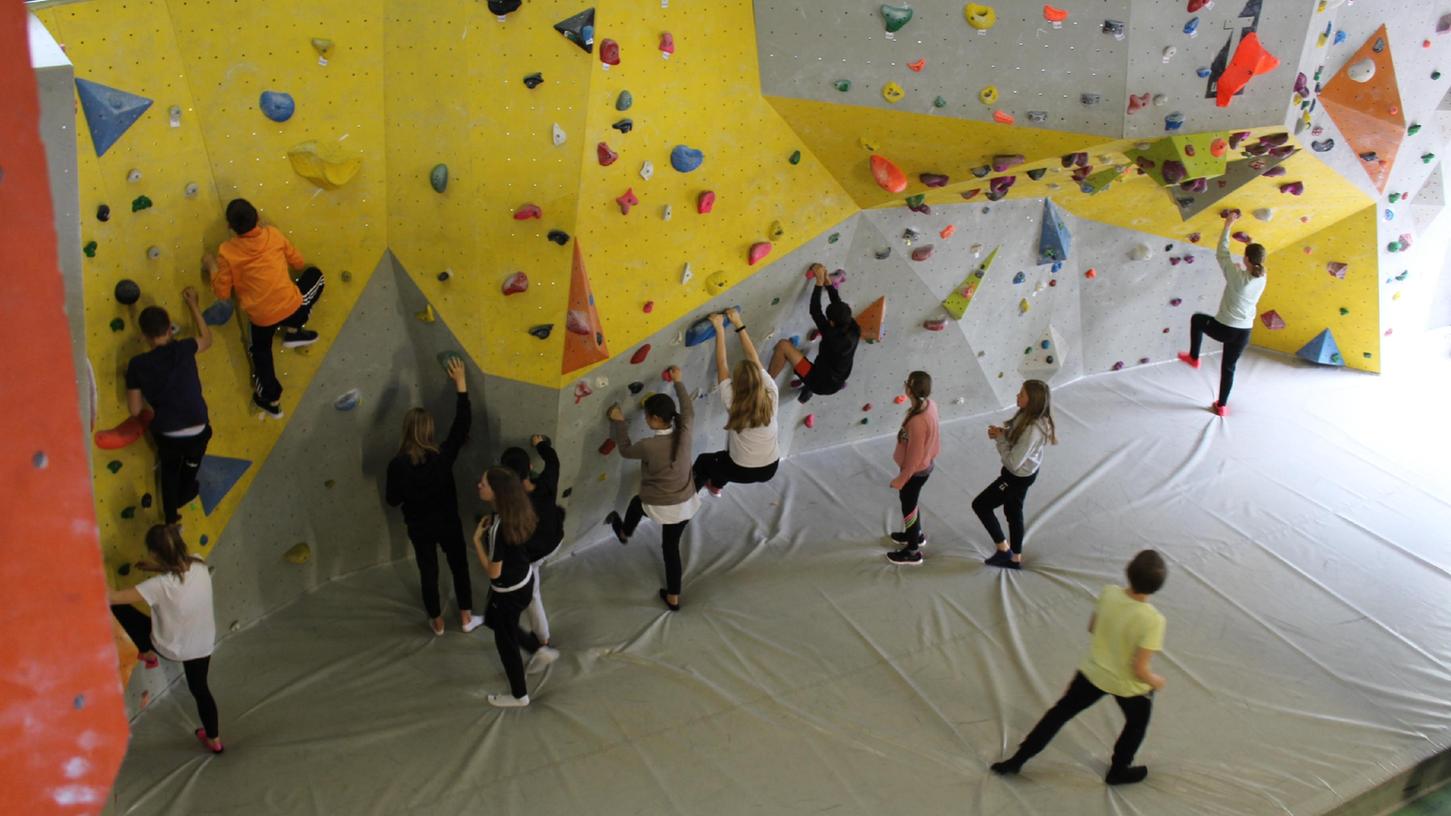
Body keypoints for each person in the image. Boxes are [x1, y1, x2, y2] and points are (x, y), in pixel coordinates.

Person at [990, 550, 1168, 785]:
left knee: (1059, 714)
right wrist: (1156, 681)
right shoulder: (1154, 620)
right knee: (1136, 725)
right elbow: (1140, 669)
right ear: (1157, 586)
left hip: (1093, 673)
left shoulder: (1109, 593)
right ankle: (1119, 769)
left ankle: (1017, 760)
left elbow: (1093, 627)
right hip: (1128, 686)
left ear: (1129, 571)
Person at [385, 358, 482, 636]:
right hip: (448, 521)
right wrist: (461, 383)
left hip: (420, 526)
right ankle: (465, 616)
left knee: (428, 570)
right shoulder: (442, 456)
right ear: (429, 430)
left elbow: (392, 500)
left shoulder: (397, 465)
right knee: (459, 565)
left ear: (405, 430)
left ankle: (436, 621)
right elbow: (461, 425)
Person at [204, 198, 324, 418]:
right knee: (315, 276)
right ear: (258, 217)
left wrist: (211, 265)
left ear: (230, 227)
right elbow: (298, 263)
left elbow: (222, 293)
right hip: (290, 306)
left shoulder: (226, 252)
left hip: (260, 318)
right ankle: (295, 329)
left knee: (260, 353)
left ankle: (271, 398)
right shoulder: (273, 235)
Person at [108, 524, 222, 753]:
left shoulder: (158, 586)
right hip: (202, 644)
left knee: (122, 609)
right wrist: (153, 568)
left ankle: (148, 652)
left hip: (172, 648)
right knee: (200, 690)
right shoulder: (198, 563)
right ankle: (214, 740)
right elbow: (178, 569)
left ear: (154, 553)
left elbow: (114, 598)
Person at [603, 369, 697, 611]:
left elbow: (625, 450)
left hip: (661, 503)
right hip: (686, 501)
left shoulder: (649, 445)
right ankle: (673, 597)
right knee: (670, 548)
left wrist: (619, 421)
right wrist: (678, 381)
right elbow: (688, 409)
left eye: (647, 416)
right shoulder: (685, 430)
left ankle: (624, 532)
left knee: (637, 503)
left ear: (653, 419)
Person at [125, 287, 212, 525]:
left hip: (168, 433)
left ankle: (171, 517)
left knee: (169, 471)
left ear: (144, 336)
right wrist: (193, 304)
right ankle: (188, 484)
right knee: (192, 462)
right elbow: (207, 339)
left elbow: (134, 411)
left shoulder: (137, 365)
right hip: (198, 425)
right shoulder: (184, 348)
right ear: (169, 328)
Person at [1177, 210, 1268, 417]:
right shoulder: (1262, 276)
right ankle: (1222, 406)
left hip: (1225, 328)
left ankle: (1194, 357)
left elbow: (1222, 252)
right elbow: (1248, 271)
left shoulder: (1237, 276)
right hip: (1244, 332)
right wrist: (1241, 265)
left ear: (1246, 259)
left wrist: (1228, 225)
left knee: (1197, 319)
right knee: (1229, 368)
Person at [692, 307, 780, 497]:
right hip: (770, 468)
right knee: (724, 459)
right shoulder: (771, 393)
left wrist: (719, 329)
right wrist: (738, 323)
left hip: (740, 468)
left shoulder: (732, 400)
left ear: (736, 383)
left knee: (704, 462)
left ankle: (690, 499)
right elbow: (753, 359)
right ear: (758, 379)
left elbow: (722, 363)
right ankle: (716, 486)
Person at [473, 468, 539, 708]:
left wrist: (476, 541)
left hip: (509, 593)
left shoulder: (498, 530)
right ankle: (537, 649)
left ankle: (519, 695)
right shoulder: (518, 509)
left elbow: (493, 572)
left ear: (497, 492)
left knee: (506, 644)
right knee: (491, 618)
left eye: (483, 483)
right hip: (526, 581)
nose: (478, 485)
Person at [976, 380, 1057, 570]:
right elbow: (1018, 438)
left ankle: (1004, 550)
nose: (1017, 396)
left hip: (1015, 477)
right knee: (1013, 512)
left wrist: (1000, 439)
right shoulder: (1027, 417)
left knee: (981, 505)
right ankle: (1015, 558)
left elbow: (1013, 462)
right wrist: (1003, 432)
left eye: (1021, 394)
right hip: (1025, 474)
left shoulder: (1033, 430)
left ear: (1033, 401)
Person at [500, 434, 564, 672]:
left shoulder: (512, 504)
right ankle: (543, 637)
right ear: (530, 467)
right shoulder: (547, 483)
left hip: (532, 555)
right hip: (555, 540)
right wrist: (541, 444)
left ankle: (543, 638)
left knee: (533, 594)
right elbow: (554, 462)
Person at [767, 263, 860, 403]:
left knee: (783, 346)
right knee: (823, 367)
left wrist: (818, 283)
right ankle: (807, 390)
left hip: (818, 382)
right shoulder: (854, 327)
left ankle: (765, 385)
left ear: (832, 323)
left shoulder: (831, 335)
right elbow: (838, 306)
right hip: (837, 379)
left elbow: (815, 311)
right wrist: (828, 283)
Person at [885, 371, 940, 566]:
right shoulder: (929, 406)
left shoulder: (917, 422)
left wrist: (902, 479)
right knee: (911, 504)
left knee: (909, 507)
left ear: (910, 389)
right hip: (924, 466)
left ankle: (912, 550)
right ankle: (914, 534)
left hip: (915, 472)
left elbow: (915, 457)